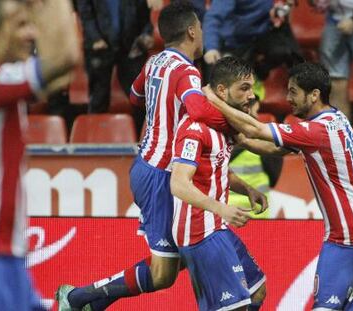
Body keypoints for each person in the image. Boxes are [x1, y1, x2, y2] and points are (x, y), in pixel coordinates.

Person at [56, 2, 238, 310]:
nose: (204, 33)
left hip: (147, 163)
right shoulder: (186, 72)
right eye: (202, 27)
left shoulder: (154, 61)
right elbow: (196, 108)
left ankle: (86, 300)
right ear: (192, 31)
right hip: (162, 174)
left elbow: (134, 96)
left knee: (189, 249)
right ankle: (78, 298)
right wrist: (233, 126)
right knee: (164, 273)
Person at [204, 62, 353, 310]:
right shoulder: (336, 118)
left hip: (349, 238)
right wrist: (238, 138)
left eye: (293, 92)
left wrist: (212, 99)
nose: (288, 98)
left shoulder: (315, 130)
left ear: (314, 95)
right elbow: (271, 148)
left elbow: (255, 128)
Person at [0, 0, 80, 310]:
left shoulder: (4, 80)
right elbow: (65, 57)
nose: (31, 33)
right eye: (19, 24)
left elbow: (60, 78)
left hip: (9, 257)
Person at [170, 56, 268, 311]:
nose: (251, 96)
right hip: (199, 232)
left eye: (252, 88)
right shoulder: (195, 127)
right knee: (233, 307)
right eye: (244, 89)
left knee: (257, 293)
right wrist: (221, 208)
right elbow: (178, 183)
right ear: (222, 91)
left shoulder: (224, 125)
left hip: (217, 226)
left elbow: (219, 168)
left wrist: (246, 189)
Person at [76, 0, 153, 132]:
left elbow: (144, 17)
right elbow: (85, 13)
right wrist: (95, 38)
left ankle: (145, 139)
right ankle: (94, 139)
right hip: (99, 48)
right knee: (98, 99)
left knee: (140, 99)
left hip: (130, 47)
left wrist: (145, 35)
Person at [202, 0, 302, 85]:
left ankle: (257, 73)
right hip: (234, 41)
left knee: (285, 50)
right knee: (217, 79)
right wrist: (211, 47)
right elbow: (213, 17)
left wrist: (283, 7)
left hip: (261, 34)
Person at [228, 96, 284, 219]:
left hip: (225, 210)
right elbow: (274, 176)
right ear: (246, 110)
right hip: (257, 211)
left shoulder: (219, 137)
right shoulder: (263, 143)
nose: (257, 117)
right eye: (256, 111)